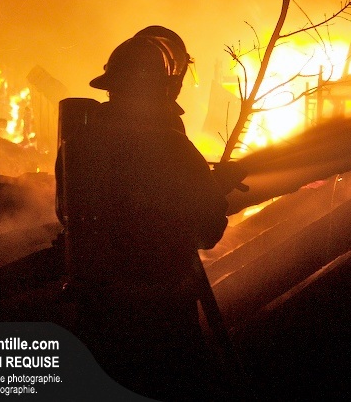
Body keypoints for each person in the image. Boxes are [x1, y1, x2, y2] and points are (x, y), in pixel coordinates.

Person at [57, 36, 228, 400]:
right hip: (163, 315)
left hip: (97, 315)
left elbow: (66, 213)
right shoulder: (175, 148)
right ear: (160, 91)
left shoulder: (76, 146)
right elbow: (210, 230)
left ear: (111, 88)